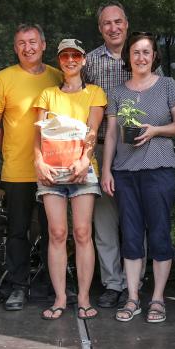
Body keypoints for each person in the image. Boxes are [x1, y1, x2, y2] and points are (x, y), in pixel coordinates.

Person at [101, 32, 175, 323]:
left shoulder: (167, 85)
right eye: (135, 52)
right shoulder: (117, 92)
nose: (141, 57)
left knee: (160, 234)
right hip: (125, 173)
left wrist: (155, 130)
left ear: (154, 57)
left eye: (146, 52)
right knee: (132, 237)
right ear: (128, 57)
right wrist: (106, 170)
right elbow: (112, 133)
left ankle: (158, 299)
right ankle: (133, 298)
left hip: (159, 171)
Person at [84, 2, 162, 308]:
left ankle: (136, 280)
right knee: (104, 222)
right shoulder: (89, 62)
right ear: (100, 28)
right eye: (107, 23)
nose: (113, 28)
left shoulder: (145, 57)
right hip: (102, 145)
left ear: (127, 24)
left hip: (139, 147)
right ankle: (112, 283)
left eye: (118, 22)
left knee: (136, 220)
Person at [0, 24, 62, 310]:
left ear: (44, 45)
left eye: (33, 42)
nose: (28, 47)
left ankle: (50, 285)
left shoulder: (58, 77)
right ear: (15, 47)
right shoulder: (3, 78)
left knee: (53, 232)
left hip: (54, 171)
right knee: (17, 231)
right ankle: (18, 287)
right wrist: (8, 146)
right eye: (21, 42)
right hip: (17, 170)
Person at [34, 39, 106, 320]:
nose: (71, 60)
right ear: (59, 60)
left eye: (76, 54)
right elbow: (38, 135)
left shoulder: (95, 93)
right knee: (57, 234)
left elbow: (93, 130)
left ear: (84, 59)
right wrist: (39, 161)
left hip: (82, 170)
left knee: (82, 233)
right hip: (51, 172)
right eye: (65, 55)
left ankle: (85, 298)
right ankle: (61, 298)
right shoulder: (47, 94)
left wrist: (85, 160)